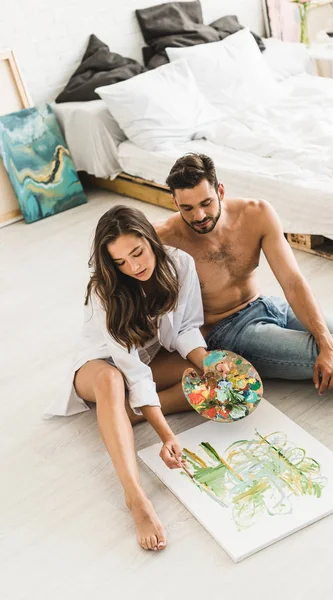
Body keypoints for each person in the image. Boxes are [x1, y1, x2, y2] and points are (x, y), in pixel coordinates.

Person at [155, 153, 333, 399]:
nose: (198, 216)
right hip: (229, 331)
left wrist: (325, 342)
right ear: (175, 202)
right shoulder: (164, 237)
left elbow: (292, 282)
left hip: (269, 305)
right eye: (187, 208)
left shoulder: (256, 213)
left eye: (205, 203)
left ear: (220, 191)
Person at [46, 205, 212, 553]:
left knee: (201, 378)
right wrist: (166, 435)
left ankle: (123, 415)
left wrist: (208, 362)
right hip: (98, 365)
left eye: (137, 253)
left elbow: (185, 329)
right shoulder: (105, 291)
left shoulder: (180, 264)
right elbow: (131, 370)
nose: (134, 267)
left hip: (147, 357)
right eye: (120, 262)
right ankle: (134, 496)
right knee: (112, 382)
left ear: (150, 238)